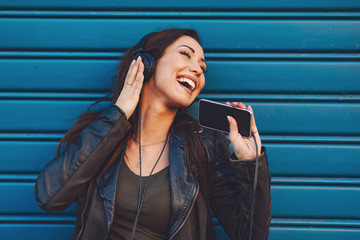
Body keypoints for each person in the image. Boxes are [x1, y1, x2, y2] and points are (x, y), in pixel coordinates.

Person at [35, 28, 271, 240]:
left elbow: (250, 235)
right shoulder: (101, 133)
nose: (198, 68)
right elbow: (50, 197)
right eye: (185, 54)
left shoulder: (203, 145)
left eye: (203, 66)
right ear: (147, 63)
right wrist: (118, 115)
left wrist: (250, 164)